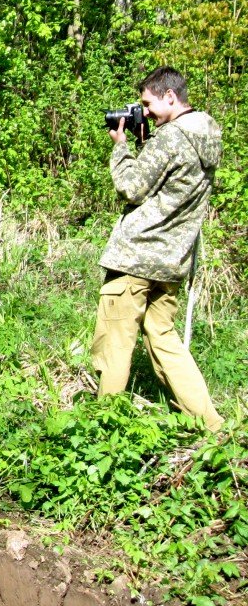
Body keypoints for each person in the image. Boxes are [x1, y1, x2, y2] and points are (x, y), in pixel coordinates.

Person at [91, 66, 224, 432]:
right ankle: (212, 425)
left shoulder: (171, 137)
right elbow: (169, 185)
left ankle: (103, 428)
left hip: (137, 257)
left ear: (170, 96)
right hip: (172, 260)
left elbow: (132, 188)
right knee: (165, 341)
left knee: (115, 342)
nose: (145, 112)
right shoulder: (207, 135)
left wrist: (121, 148)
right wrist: (146, 143)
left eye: (148, 104)